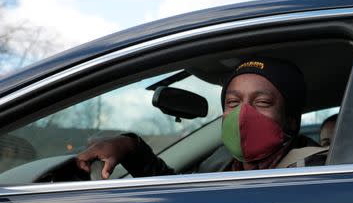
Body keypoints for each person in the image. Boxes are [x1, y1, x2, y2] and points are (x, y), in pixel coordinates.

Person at [76, 58, 325, 178]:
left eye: (261, 102)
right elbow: (176, 194)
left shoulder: (314, 170)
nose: (243, 114)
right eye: (233, 102)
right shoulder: (219, 162)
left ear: (291, 119)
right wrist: (130, 146)